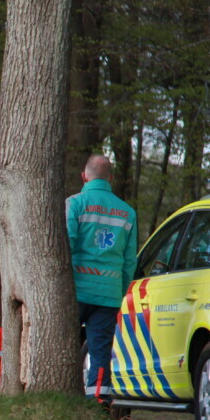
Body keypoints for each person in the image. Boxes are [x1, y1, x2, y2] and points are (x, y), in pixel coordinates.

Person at [67, 154, 138, 400]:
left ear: (84, 176)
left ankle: (62, 398)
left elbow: (66, 244)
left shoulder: (75, 204)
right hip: (108, 293)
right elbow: (130, 261)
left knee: (65, 347)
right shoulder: (127, 212)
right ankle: (98, 400)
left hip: (75, 290)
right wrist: (118, 290)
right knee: (99, 351)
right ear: (111, 178)